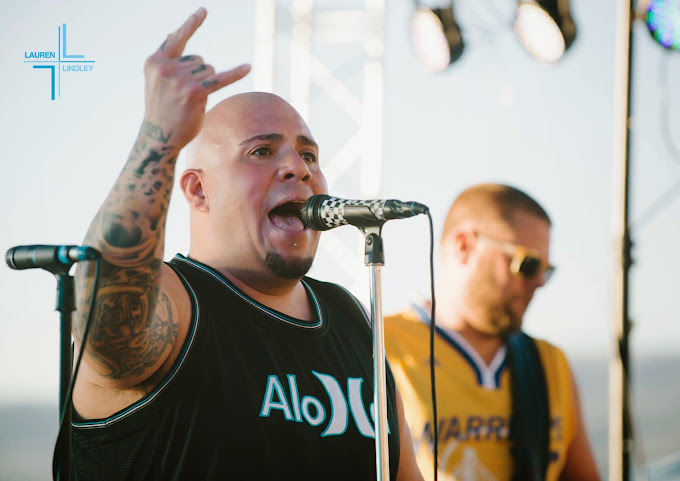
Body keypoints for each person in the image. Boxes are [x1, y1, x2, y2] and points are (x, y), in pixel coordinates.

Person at [69, 8, 423, 480]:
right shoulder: (178, 304)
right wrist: (159, 137)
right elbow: (104, 320)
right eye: (261, 151)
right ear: (198, 190)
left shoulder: (353, 320)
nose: (298, 168)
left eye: (309, 154)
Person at [384, 184, 600, 481]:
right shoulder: (379, 345)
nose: (539, 281)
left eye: (546, 270)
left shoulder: (551, 363)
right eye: (528, 264)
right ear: (464, 246)